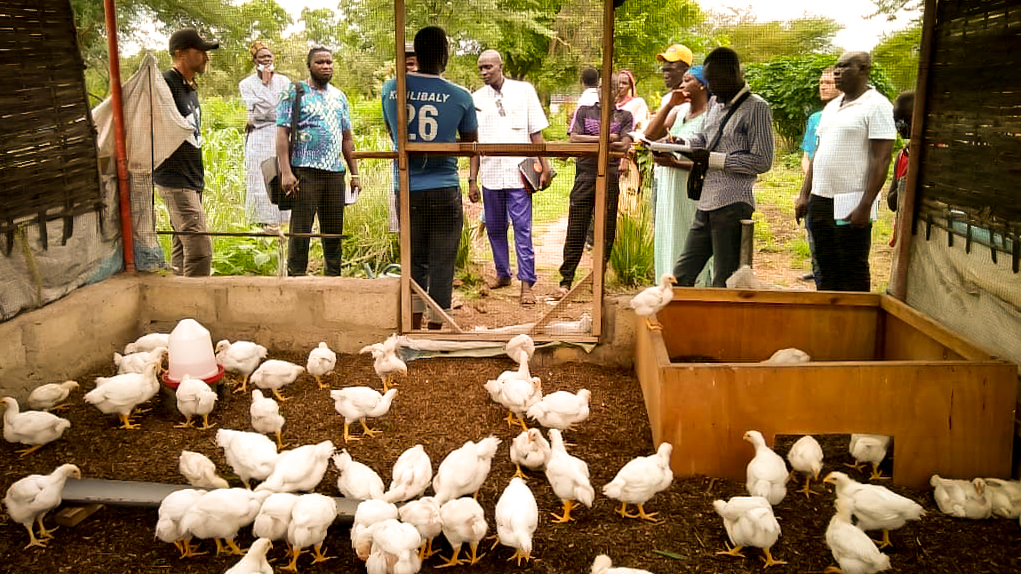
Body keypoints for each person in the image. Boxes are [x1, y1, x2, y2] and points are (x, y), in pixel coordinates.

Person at [382, 26, 478, 328]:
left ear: (416, 55)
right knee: (443, 260)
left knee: (413, 260)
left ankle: (412, 323)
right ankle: (437, 326)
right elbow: (470, 144)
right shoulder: (460, 96)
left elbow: (393, 133)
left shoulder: (391, 88)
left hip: (407, 187)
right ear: (445, 55)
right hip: (444, 187)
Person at [671, 47, 775, 287]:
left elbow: (762, 161)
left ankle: (720, 323)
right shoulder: (715, 103)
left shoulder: (757, 108)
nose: (710, 86)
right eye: (708, 80)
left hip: (733, 204)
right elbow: (703, 140)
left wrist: (715, 160)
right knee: (681, 275)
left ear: (733, 73)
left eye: (715, 79)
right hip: (707, 201)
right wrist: (679, 144)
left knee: (724, 280)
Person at [795, 51, 896, 292]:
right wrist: (804, 194)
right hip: (820, 199)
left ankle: (856, 324)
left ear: (863, 69)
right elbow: (818, 152)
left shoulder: (877, 105)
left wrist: (865, 204)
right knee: (825, 265)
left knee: (852, 266)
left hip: (850, 202)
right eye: (836, 67)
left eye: (844, 67)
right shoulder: (831, 107)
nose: (837, 72)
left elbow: (882, 159)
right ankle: (830, 320)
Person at [469, 49, 551, 306]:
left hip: (519, 174)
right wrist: (472, 179)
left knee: (523, 229)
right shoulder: (475, 99)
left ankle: (527, 284)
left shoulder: (524, 90)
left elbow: (535, 131)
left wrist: (544, 166)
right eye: (481, 68)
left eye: (488, 67)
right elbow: (473, 143)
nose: (484, 72)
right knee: (494, 227)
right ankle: (503, 273)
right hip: (491, 174)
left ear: (500, 66)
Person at [276, 46, 360, 277]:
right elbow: (282, 134)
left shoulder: (339, 97)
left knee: (333, 231)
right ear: (309, 66)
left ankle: (333, 277)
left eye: (329, 62)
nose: (325, 66)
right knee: (301, 229)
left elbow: (347, 138)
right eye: (320, 62)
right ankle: (296, 277)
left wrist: (354, 173)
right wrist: (286, 172)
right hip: (305, 171)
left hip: (335, 173)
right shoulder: (295, 92)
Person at [558, 74, 634, 297]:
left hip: (609, 176)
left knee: (606, 227)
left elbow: (623, 145)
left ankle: (598, 279)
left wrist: (602, 141)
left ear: (618, 92)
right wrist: (605, 138)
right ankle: (566, 280)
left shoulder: (626, 116)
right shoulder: (584, 111)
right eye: (602, 87)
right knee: (576, 227)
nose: (606, 91)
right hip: (584, 175)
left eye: (612, 87)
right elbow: (574, 139)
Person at [154, 29, 219, 277]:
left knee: (182, 247)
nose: (206, 57)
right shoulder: (164, 84)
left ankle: (179, 302)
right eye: (200, 51)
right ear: (180, 53)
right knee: (200, 249)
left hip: (192, 179)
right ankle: (194, 307)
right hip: (174, 178)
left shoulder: (189, 88)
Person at [642, 65, 711, 282]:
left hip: (691, 189)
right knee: (669, 234)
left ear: (702, 84)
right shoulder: (679, 112)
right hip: (669, 187)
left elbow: (711, 162)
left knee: (687, 234)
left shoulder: (711, 117)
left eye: (688, 80)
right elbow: (650, 135)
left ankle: (694, 287)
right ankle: (667, 286)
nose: (682, 85)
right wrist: (670, 104)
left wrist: (674, 164)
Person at [239, 41, 291, 231]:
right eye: (262, 57)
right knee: (259, 177)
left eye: (269, 57)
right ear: (255, 61)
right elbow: (259, 112)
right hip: (258, 136)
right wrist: (271, 105)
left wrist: (267, 108)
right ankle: (261, 223)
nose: (267, 60)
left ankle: (283, 221)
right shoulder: (246, 84)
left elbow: (282, 109)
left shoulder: (284, 82)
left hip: (280, 133)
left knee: (281, 173)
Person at [798, 66, 842, 286]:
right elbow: (807, 155)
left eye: (829, 82)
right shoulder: (815, 118)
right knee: (816, 240)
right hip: (814, 187)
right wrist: (811, 180)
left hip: (839, 190)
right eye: (821, 82)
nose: (823, 86)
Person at [648, 44, 692, 221]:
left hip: (684, 176)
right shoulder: (668, 99)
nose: (666, 72)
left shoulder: (694, 100)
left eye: (671, 68)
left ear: (686, 70)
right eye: (664, 68)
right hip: (663, 173)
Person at [568, 67, 600, 135]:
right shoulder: (601, 97)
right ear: (597, 81)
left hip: (585, 137)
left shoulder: (583, 100)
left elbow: (574, 126)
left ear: (582, 82)